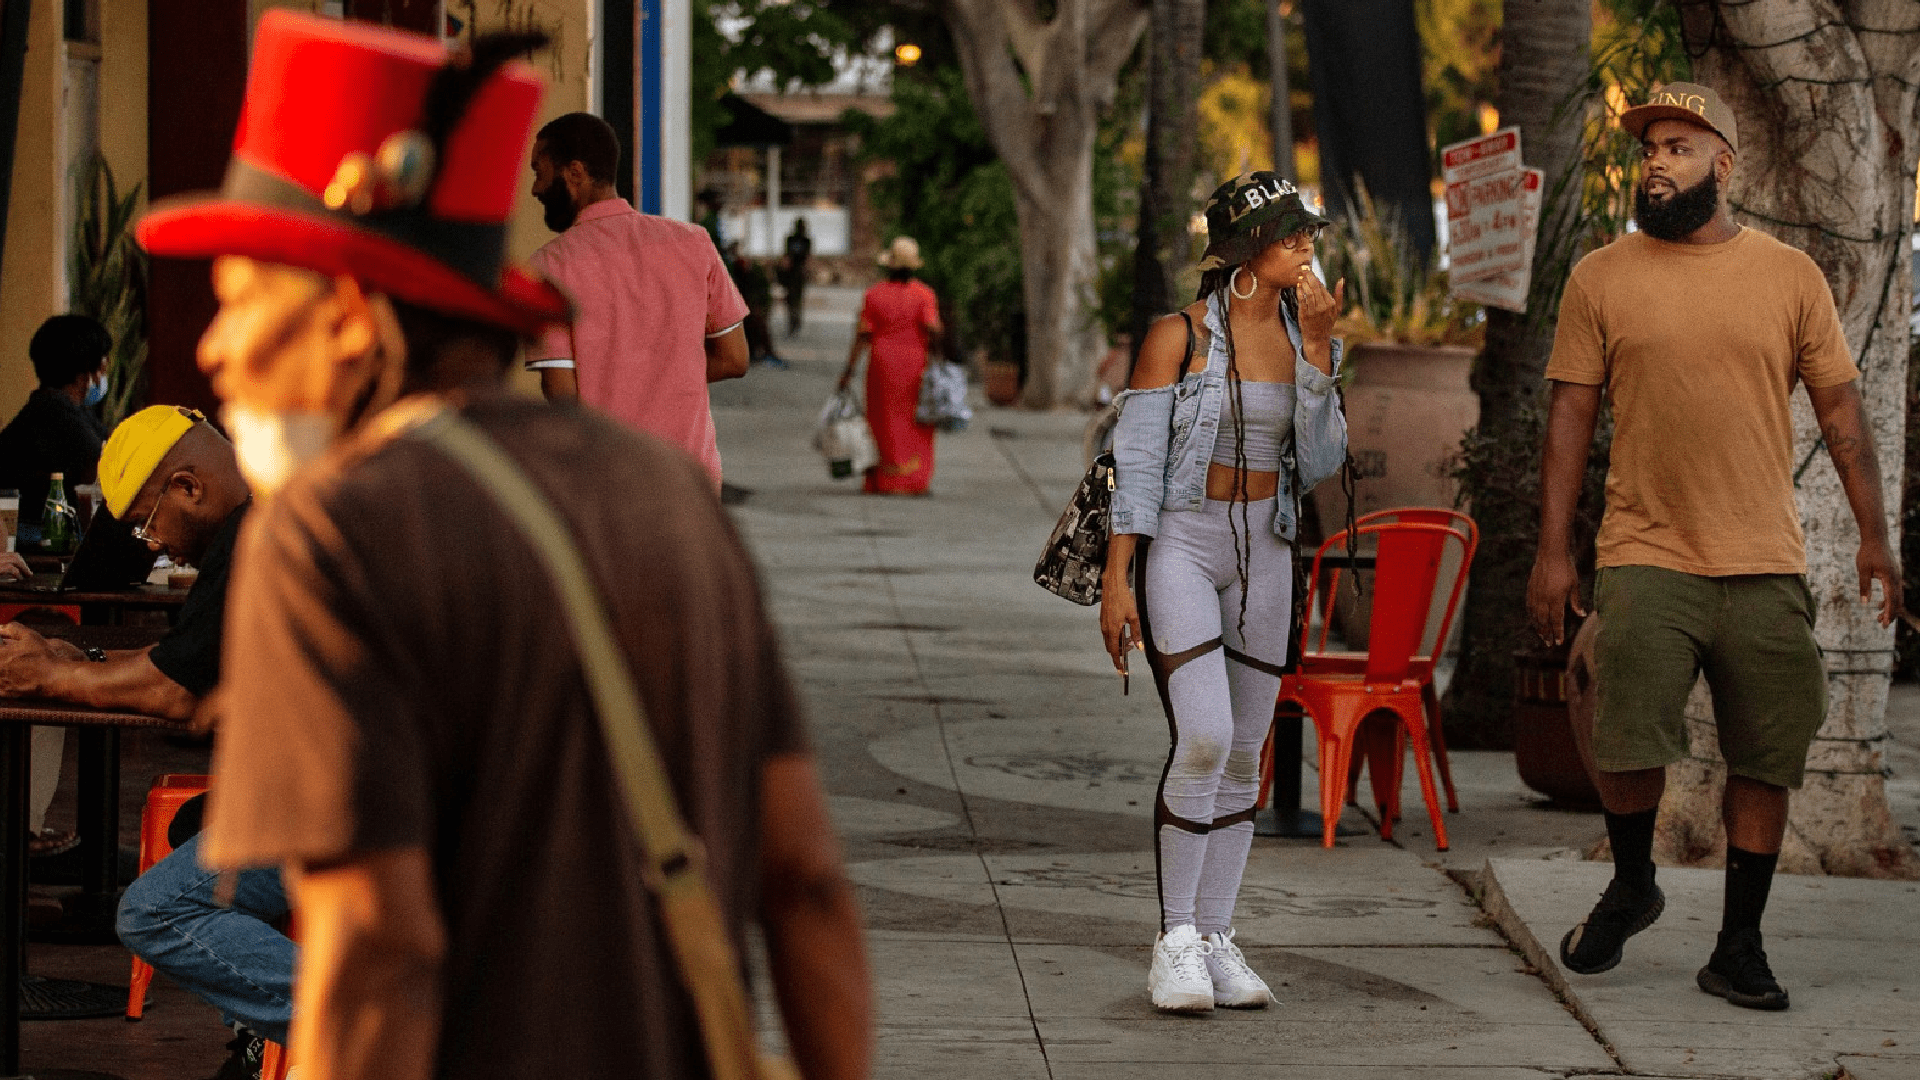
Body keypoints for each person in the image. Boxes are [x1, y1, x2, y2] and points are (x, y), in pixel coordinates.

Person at [134, 14, 870, 1080]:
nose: (215, 346)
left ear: (349, 312)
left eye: (245, 299)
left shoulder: (331, 537)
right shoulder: (671, 501)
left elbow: (375, 953)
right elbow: (804, 882)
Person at [1526, 83, 1901, 1012]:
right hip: (1646, 552)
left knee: (1767, 753)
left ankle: (1738, 946)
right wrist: (1552, 551)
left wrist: (1875, 537)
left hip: (1764, 560)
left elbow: (1842, 409)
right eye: (1651, 146)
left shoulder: (1789, 275)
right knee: (1624, 737)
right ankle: (1632, 882)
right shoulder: (1601, 277)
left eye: (1680, 146)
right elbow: (1569, 414)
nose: (1657, 159)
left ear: (1724, 165)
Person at [1099, 173, 1347, 1014]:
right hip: (1182, 540)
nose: (1306, 246)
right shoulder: (1177, 336)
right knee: (1202, 737)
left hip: (1268, 548)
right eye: (1288, 235)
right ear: (1244, 250)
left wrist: (1317, 354)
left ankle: (1213, 934)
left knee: (1247, 750)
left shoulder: (1307, 332)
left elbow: (1317, 464)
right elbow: (1132, 463)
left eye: (1306, 233)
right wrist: (1116, 578)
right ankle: (1172, 939)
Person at [0, 405, 290, 1077]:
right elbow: (186, 665)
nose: (154, 544)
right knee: (197, 826)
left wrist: (54, 673)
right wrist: (73, 664)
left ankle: (387, 1026)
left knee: (155, 912)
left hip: (358, 803)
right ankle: (259, 1036)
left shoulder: (259, 533)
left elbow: (173, 690)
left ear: (188, 486)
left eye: (146, 523)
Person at [525, 112, 750, 488]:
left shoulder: (550, 266)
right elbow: (734, 358)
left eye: (539, 172)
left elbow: (561, 395)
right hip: (692, 483)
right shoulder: (693, 243)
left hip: (609, 484)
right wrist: (663, 376)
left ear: (575, 172)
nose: (535, 189)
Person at [838, 237, 943, 495]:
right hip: (914, 366)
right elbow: (932, 328)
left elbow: (863, 336)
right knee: (915, 422)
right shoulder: (924, 295)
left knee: (882, 420)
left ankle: (885, 479)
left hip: (882, 366)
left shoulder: (874, 294)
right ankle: (912, 479)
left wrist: (849, 370)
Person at [0, 314, 112, 547]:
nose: (105, 370)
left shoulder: (68, 408)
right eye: (103, 363)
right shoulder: (52, 410)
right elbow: (106, 463)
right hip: (35, 543)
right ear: (86, 370)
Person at [780, 217, 813, 336]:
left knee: (796, 299)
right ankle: (793, 321)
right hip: (792, 273)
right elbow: (786, 257)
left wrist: (806, 270)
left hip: (798, 272)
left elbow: (807, 257)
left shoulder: (805, 240)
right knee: (792, 299)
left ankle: (795, 321)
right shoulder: (792, 239)